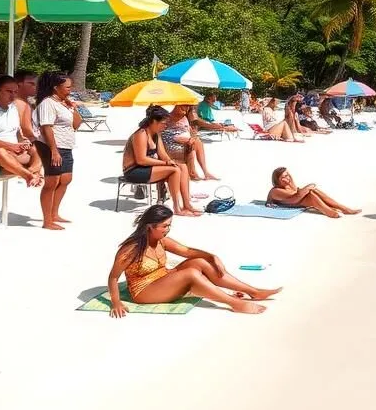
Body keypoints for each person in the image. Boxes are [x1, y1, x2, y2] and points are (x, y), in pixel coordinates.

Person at [106, 205, 279, 317]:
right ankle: (234, 303)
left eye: (169, 225)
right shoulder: (130, 249)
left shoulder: (161, 241)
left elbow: (187, 251)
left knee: (200, 262)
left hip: (162, 279)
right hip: (144, 291)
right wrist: (116, 302)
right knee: (190, 273)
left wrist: (211, 257)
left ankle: (253, 291)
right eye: (165, 226)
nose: (168, 229)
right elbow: (113, 277)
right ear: (150, 227)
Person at [120, 106, 200, 216]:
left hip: (146, 168)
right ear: (153, 121)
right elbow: (141, 160)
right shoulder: (141, 134)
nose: (165, 126)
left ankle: (187, 204)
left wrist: (171, 161)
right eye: (163, 123)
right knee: (174, 171)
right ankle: (177, 208)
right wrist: (166, 164)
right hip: (134, 170)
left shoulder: (156, 135)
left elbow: (163, 154)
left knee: (182, 167)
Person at [33, 71, 81, 230]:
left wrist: (73, 108)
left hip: (66, 146)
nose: (70, 90)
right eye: (67, 87)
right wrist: (54, 151)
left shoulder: (63, 103)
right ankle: (47, 221)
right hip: (51, 146)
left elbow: (76, 124)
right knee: (52, 181)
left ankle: (55, 213)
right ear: (55, 88)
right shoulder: (48, 103)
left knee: (66, 179)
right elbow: (46, 127)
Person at [267, 167, 360, 218]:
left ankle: (343, 208)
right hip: (287, 203)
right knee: (310, 194)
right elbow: (297, 196)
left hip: (293, 200)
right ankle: (329, 211)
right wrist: (309, 186)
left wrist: (291, 179)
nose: (286, 179)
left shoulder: (288, 184)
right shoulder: (276, 191)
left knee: (313, 191)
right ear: (277, 180)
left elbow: (297, 193)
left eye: (287, 176)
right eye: (283, 177)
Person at [162, 103, 216, 181]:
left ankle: (205, 172)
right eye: (184, 106)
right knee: (193, 143)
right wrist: (187, 139)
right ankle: (193, 172)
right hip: (172, 143)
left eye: (188, 107)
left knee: (197, 142)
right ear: (177, 105)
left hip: (185, 141)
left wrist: (192, 136)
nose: (186, 109)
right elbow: (166, 136)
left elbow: (190, 131)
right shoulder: (168, 118)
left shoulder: (184, 117)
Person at [13, 70, 39, 143]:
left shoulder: (26, 103)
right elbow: (26, 129)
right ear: (19, 84)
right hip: (25, 145)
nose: (35, 87)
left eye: (36, 84)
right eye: (31, 83)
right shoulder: (19, 103)